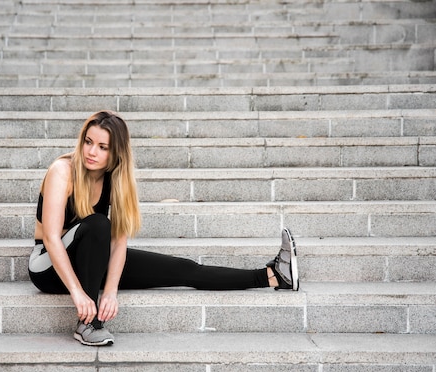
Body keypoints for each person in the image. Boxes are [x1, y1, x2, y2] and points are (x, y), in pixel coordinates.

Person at [29, 110, 299, 346]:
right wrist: (79, 294)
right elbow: (52, 239)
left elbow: (119, 242)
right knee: (98, 224)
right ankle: (88, 324)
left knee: (183, 269)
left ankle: (273, 276)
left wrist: (110, 291)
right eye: (89, 142)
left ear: (116, 152)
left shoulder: (116, 181)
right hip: (48, 265)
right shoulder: (63, 170)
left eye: (103, 146)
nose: (91, 152)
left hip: (91, 262)